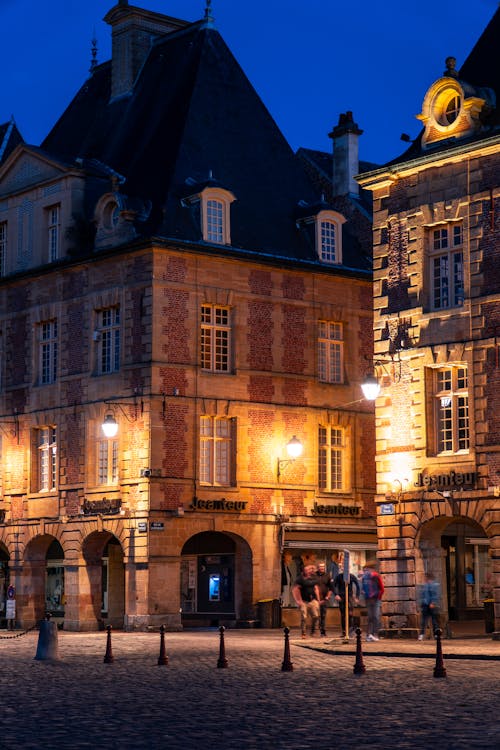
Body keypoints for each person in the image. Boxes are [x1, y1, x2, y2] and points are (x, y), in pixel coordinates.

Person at [292, 564, 320, 639]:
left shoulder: (313, 577)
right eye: (307, 570)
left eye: (309, 569)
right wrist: (298, 601)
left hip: (312, 600)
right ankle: (303, 633)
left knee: (316, 616)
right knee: (304, 617)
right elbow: (295, 590)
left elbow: (316, 588)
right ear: (304, 571)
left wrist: (318, 600)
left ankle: (313, 631)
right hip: (304, 601)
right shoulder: (300, 579)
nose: (308, 571)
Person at [334, 569, 360, 638]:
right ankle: (344, 631)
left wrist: (357, 596)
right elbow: (334, 585)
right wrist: (336, 594)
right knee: (343, 615)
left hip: (350, 596)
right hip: (341, 596)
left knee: (350, 613)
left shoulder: (351, 576)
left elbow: (358, 586)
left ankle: (350, 631)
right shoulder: (339, 577)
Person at [361, 563, 384, 641]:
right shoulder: (365, 577)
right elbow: (363, 587)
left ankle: (374, 634)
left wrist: (378, 597)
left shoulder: (376, 576)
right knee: (370, 617)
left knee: (375, 617)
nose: (366, 571)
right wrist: (364, 592)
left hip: (375, 599)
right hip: (368, 599)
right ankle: (369, 635)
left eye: (367, 569)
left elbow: (381, 588)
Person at [418, 573, 440, 640]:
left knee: (434, 621)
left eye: (425, 577)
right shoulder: (425, 585)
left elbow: (435, 594)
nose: (424, 579)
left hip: (431, 605)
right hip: (425, 605)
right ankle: (421, 634)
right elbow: (422, 595)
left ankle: (436, 634)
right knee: (424, 621)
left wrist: (433, 602)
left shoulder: (433, 585)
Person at [316, 561, 334, 636]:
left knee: (323, 615)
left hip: (324, 599)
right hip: (315, 599)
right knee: (316, 615)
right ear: (318, 567)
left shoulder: (327, 576)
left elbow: (331, 588)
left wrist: (328, 596)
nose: (322, 568)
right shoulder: (314, 575)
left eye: (323, 567)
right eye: (320, 566)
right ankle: (316, 630)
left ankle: (323, 631)